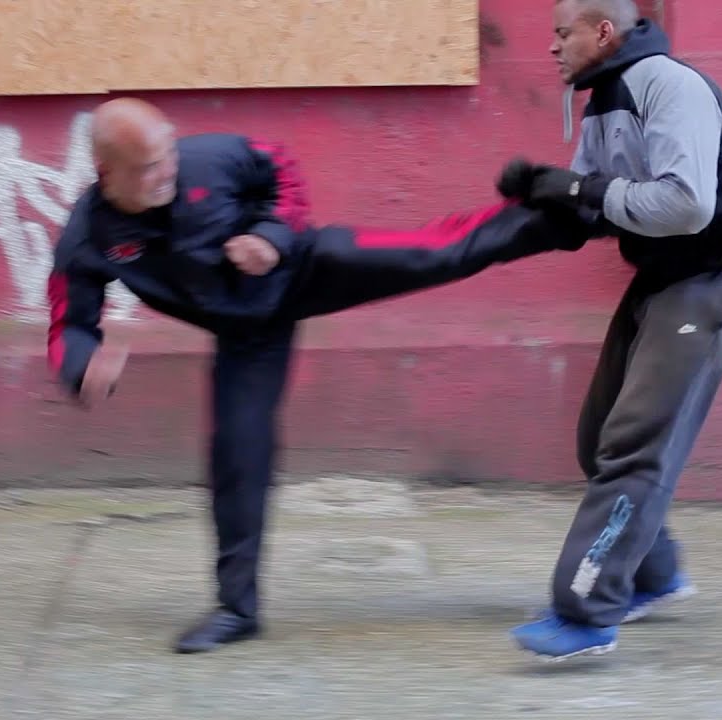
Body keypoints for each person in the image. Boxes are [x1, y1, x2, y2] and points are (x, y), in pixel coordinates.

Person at [46, 97, 588, 654]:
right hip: (245, 334)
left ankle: (567, 215)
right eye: (148, 167)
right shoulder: (89, 237)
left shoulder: (210, 158)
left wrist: (271, 236)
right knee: (236, 457)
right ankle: (236, 610)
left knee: (433, 252)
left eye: (168, 156)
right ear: (106, 171)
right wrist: (82, 365)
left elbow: (279, 168)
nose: (166, 172)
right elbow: (69, 323)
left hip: (302, 265)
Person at [496, 0, 722, 660]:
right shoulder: (603, 99)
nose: (553, 47)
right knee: (599, 437)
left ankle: (587, 611)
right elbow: (598, 207)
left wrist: (578, 192)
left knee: (634, 443)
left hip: (715, 277)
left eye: (562, 33)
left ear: (603, 31)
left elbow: (686, 203)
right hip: (663, 277)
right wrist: (535, 205)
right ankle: (655, 576)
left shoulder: (668, 86)